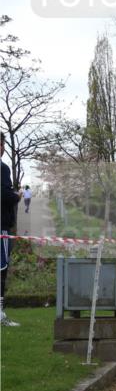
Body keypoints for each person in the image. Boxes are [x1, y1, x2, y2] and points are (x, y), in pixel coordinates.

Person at [1, 138, 21, 327]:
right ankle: (0, 313)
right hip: (1, 227)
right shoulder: (3, 168)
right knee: (1, 269)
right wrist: (17, 196)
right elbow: (4, 195)